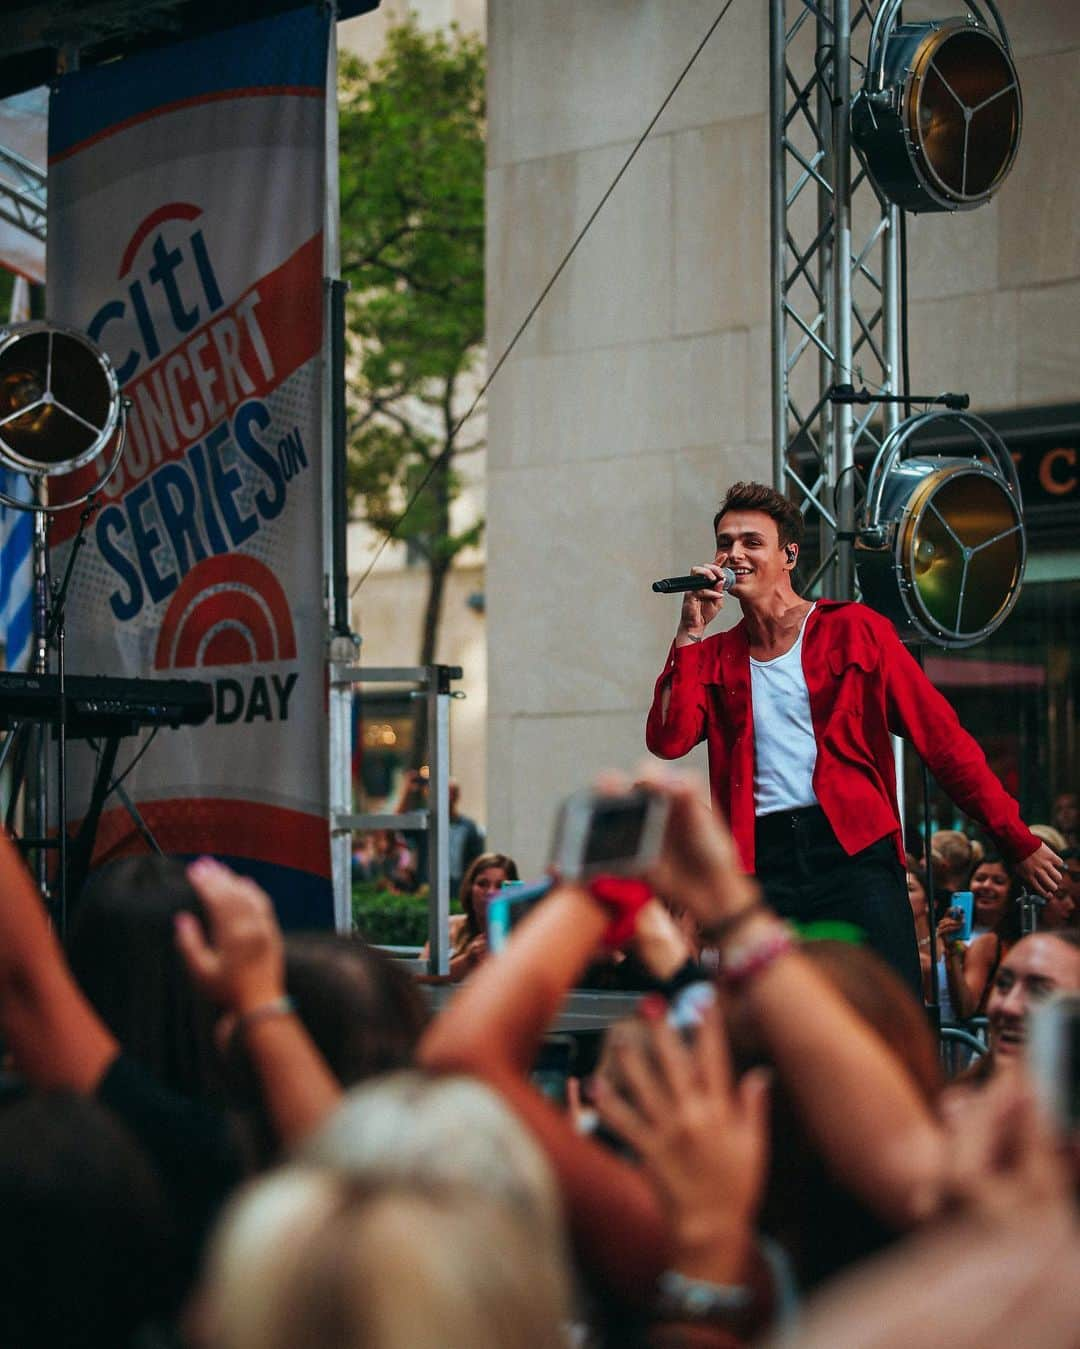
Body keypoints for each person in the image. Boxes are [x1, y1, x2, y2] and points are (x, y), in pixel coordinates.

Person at [646, 480, 1061, 993]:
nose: (734, 554)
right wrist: (689, 632)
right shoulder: (712, 656)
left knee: (883, 1010)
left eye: (752, 542)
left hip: (852, 852)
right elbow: (668, 738)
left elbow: (944, 742)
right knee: (775, 1022)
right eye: (725, 543)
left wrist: (1015, 839)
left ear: (788, 555)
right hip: (760, 863)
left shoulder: (854, 630)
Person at [419, 850, 519, 981]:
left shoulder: (521, 934)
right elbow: (417, 977)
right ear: (469, 888)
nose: (490, 892)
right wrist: (466, 961)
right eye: (482, 884)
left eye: (500, 886)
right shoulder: (449, 927)